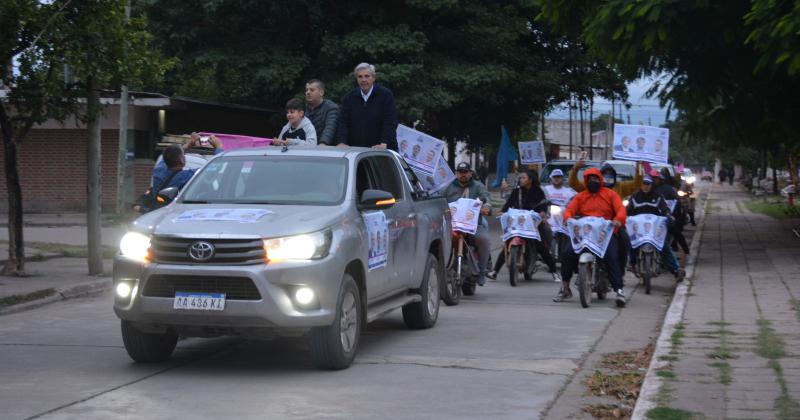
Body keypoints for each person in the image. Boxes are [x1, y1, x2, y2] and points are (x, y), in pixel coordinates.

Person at [554, 167, 628, 307]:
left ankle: (619, 290)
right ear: (586, 181)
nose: (593, 181)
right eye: (590, 179)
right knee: (567, 254)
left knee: (612, 256)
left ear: (600, 180)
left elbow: (621, 210)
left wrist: (618, 219)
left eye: (595, 178)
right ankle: (565, 288)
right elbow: (570, 209)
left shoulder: (610, 194)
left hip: (604, 233)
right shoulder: (581, 196)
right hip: (584, 233)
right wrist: (568, 218)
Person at [486, 169, 561, 282]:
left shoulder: (538, 191)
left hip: (533, 223)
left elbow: (543, 206)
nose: (521, 179)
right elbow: (509, 203)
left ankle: (554, 272)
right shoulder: (517, 191)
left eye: (523, 177)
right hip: (517, 222)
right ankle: (495, 271)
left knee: (540, 246)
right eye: (520, 178)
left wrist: (542, 213)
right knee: (507, 243)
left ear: (530, 179)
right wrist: (503, 211)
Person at [569, 159, 640, 272]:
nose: (607, 178)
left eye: (610, 175)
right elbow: (573, 183)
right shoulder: (591, 187)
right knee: (572, 244)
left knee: (625, 240)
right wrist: (575, 168)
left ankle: (620, 270)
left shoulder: (620, 187)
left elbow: (637, 184)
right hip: (592, 224)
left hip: (614, 224)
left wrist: (639, 170)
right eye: (605, 175)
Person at [626, 175, 685, 281]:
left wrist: (668, 215)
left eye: (648, 184)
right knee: (632, 243)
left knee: (664, 247)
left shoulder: (658, 196)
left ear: (651, 185)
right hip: (639, 230)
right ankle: (632, 263)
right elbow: (628, 210)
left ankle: (676, 270)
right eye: (644, 184)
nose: (646, 186)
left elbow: (664, 208)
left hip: (653, 230)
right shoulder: (635, 197)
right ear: (641, 184)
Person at [443, 162, 492, 286]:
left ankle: (481, 272)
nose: (463, 175)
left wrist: (486, 208)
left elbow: (486, 199)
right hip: (453, 225)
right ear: (456, 173)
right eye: (460, 172)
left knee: (484, 240)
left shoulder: (478, 186)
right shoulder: (448, 188)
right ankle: (442, 269)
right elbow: (440, 201)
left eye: (465, 172)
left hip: (474, 225)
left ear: (470, 173)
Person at [335, 62, 398, 150]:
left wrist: (384, 142)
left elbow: (390, 121)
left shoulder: (385, 95)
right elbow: (343, 122)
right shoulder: (349, 97)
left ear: (373, 78)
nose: (363, 80)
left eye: (367, 76)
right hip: (356, 151)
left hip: (382, 150)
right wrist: (342, 142)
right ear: (356, 79)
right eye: (360, 77)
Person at [651, 170, 690, 254]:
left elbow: (675, 202)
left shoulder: (669, 189)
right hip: (651, 217)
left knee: (675, 230)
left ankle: (685, 250)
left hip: (667, 215)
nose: (654, 180)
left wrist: (672, 214)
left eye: (655, 178)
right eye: (652, 178)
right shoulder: (648, 190)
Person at [543, 169, 577, 260]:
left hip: (562, 216)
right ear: (551, 178)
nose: (557, 179)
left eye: (559, 177)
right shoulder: (545, 189)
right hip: (548, 214)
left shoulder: (569, 191)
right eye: (555, 177)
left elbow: (577, 199)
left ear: (562, 178)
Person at [305, 79, 339, 145]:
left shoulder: (331, 108)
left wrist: (323, 143)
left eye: (312, 90)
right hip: (306, 147)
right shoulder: (303, 109)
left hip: (326, 150)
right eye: (306, 90)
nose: (308, 92)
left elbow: (330, 128)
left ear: (321, 93)